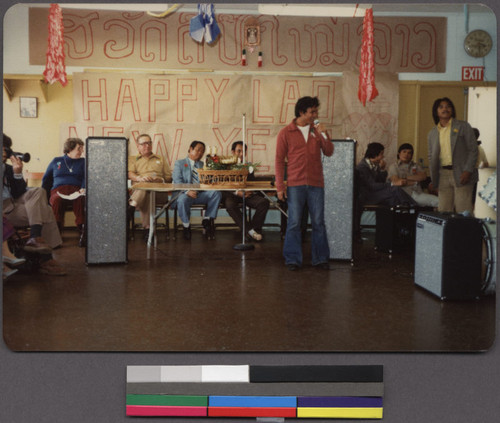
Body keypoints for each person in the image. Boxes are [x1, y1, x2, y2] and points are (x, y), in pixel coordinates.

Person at [275, 96, 333, 271]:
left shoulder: (317, 131)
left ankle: (320, 258)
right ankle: (292, 259)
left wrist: (324, 134)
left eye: (316, 111)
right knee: (294, 222)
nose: (315, 115)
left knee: (318, 222)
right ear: (301, 112)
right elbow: (279, 161)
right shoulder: (286, 132)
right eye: (312, 112)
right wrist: (280, 186)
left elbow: (329, 151)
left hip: (316, 184)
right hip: (295, 184)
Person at [2, 135, 65, 276]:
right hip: (4, 211)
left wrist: (17, 174)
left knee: (38, 192)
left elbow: (19, 192)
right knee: (46, 210)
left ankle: (35, 237)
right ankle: (46, 259)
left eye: (6, 148)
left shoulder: (7, 168)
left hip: (14, 205)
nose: (5, 152)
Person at [427, 97, 478, 214]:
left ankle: (466, 233)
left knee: (463, 210)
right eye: (441, 107)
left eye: (448, 106)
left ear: (452, 110)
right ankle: (447, 233)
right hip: (442, 175)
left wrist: (468, 170)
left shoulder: (463, 126)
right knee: (443, 211)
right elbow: (431, 157)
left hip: (462, 173)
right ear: (436, 112)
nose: (445, 109)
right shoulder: (432, 133)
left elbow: (473, 150)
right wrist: (434, 180)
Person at [172, 140, 222, 240]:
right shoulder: (179, 163)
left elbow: (208, 181)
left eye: (202, 151)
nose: (200, 153)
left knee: (216, 193)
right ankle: (186, 226)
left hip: (199, 195)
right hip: (184, 194)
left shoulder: (203, 165)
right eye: (198, 150)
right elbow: (177, 181)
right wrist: (187, 191)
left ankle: (206, 219)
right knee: (182, 199)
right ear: (190, 149)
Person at [222, 141, 269, 241]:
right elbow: (223, 184)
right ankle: (250, 232)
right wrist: (236, 192)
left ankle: (254, 231)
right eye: (239, 151)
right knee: (230, 205)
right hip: (232, 194)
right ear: (233, 152)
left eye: (244, 151)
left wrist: (249, 190)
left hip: (246, 194)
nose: (242, 154)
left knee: (263, 202)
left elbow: (252, 182)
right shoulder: (225, 166)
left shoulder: (249, 166)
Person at [42, 138, 86, 246]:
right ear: (70, 149)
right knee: (56, 200)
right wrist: (44, 198)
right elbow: (46, 179)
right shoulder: (56, 161)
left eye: (82, 148)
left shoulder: (83, 161)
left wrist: (83, 187)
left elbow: (86, 177)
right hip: (58, 190)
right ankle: (56, 235)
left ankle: (83, 233)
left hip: (76, 189)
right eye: (79, 148)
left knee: (80, 199)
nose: (82, 151)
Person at [128, 134, 172, 235]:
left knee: (148, 190)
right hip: (141, 191)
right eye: (143, 144)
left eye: (149, 143)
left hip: (159, 192)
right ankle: (148, 230)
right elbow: (130, 174)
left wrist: (160, 179)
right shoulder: (132, 159)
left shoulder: (160, 158)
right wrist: (139, 178)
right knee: (146, 189)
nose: (147, 146)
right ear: (138, 146)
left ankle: (131, 207)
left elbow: (169, 178)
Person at [387, 143, 438, 207]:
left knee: (441, 201)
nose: (406, 154)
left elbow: (423, 177)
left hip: (419, 193)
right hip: (407, 194)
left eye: (409, 153)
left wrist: (405, 177)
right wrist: (415, 181)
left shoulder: (416, 165)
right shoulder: (394, 167)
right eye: (404, 152)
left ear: (412, 155)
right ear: (399, 153)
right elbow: (397, 182)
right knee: (439, 201)